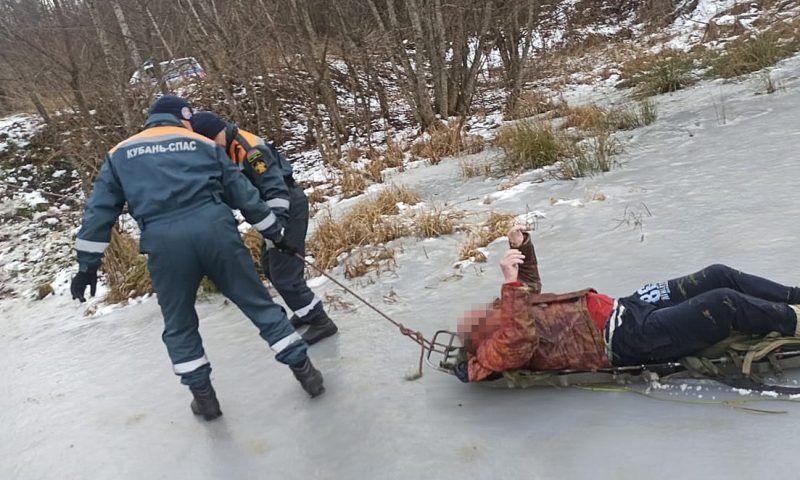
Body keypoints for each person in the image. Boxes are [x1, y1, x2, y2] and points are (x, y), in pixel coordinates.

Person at [70, 95, 325, 421]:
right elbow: (243, 194)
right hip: (217, 233)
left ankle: (205, 399)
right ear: (183, 118)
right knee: (259, 305)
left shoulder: (119, 154)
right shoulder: (202, 144)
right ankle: (306, 373)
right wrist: (275, 233)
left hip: (165, 245)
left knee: (179, 324)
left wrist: (87, 266)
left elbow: (98, 214)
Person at [457, 225, 800, 382]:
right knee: (723, 303)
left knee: (717, 274)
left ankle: (793, 296)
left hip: (630, 305)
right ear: (476, 341)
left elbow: (528, 286)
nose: (478, 316)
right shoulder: (493, 352)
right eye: (475, 324)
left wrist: (523, 247)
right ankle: (793, 321)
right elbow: (520, 342)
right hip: (627, 338)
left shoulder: (507, 309)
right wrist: (509, 287)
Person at [189, 112, 338, 345]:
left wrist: (277, 228)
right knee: (271, 268)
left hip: (286, 205)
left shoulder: (250, 150)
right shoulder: (226, 147)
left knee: (285, 275)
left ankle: (320, 321)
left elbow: (275, 187)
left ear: (214, 133)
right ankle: (304, 311)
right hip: (270, 210)